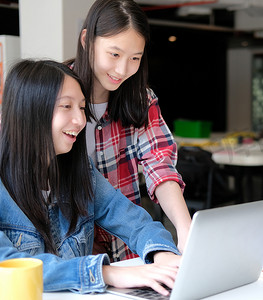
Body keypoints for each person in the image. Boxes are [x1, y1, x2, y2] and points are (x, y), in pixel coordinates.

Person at [0, 59, 180, 296]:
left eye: (82, 107)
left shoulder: (80, 171)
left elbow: (132, 220)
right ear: (30, 110)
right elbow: (7, 263)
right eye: (66, 106)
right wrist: (108, 273)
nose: (80, 120)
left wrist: (162, 254)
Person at [66, 0, 191, 262]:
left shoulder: (141, 99)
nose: (122, 70)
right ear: (87, 40)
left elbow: (160, 164)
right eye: (114, 54)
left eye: (135, 58)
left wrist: (185, 228)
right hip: (70, 252)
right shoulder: (55, 94)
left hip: (126, 248)